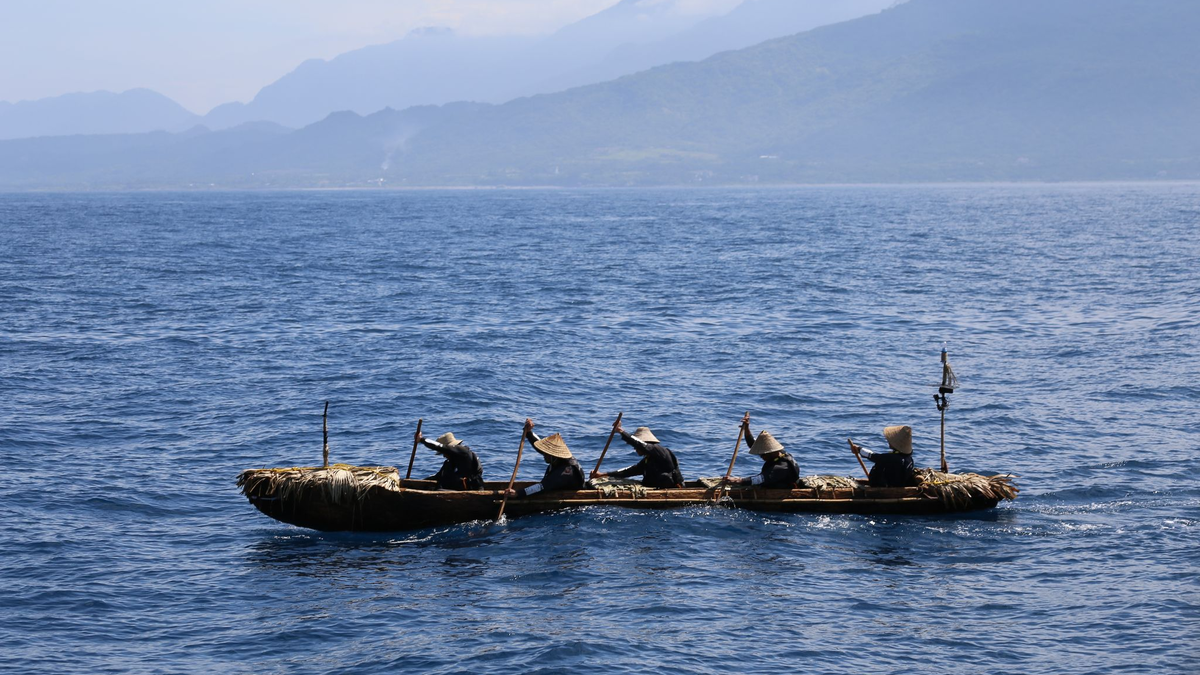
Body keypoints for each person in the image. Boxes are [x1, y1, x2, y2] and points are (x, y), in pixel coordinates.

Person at [591, 424, 684, 488]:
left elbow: (639, 444)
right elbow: (629, 471)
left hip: (670, 488)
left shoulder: (659, 450)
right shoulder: (648, 459)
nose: (635, 449)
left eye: (636, 447)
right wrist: (602, 475)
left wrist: (621, 431)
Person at [504, 425, 585, 498]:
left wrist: (518, 493)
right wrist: (528, 432)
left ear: (554, 456)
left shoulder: (565, 471)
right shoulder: (557, 458)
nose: (543, 455)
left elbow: (542, 487)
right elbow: (537, 444)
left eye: (546, 454)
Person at [726, 419, 800, 489]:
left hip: (782, 489)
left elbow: (760, 479)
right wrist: (746, 429)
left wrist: (738, 480)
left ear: (770, 453)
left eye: (763, 455)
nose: (761, 457)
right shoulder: (777, 453)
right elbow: (753, 444)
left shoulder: (781, 467)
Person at [851, 425, 918, 488]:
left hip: (888, 488)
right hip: (900, 485)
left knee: (880, 465)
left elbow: (872, 456)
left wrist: (859, 449)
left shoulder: (890, 458)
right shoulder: (909, 459)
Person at [415, 430, 484, 490]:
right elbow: (438, 477)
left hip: (469, 488)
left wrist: (422, 439)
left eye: (444, 453)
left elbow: (439, 447)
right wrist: (418, 484)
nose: (444, 456)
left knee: (439, 491)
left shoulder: (463, 451)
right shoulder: (449, 463)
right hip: (455, 489)